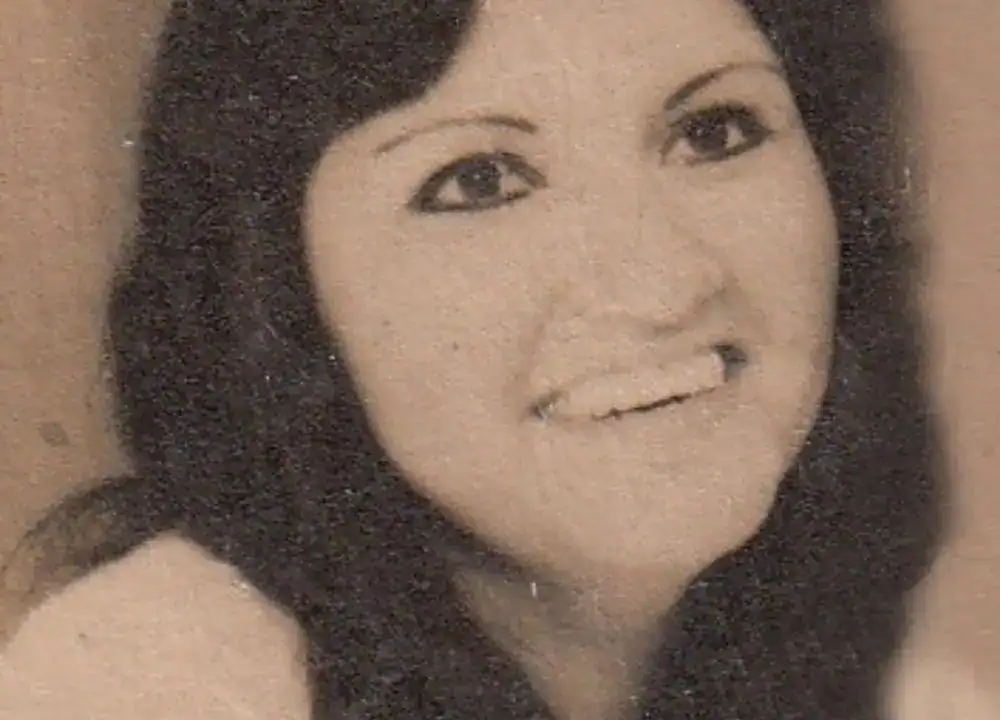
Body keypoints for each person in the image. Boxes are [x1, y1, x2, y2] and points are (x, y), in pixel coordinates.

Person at [0, 0, 982, 717]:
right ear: (277, 289)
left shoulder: (928, 661)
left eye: (714, 130)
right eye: (478, 181)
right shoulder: (154, 676)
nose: (659, 283)